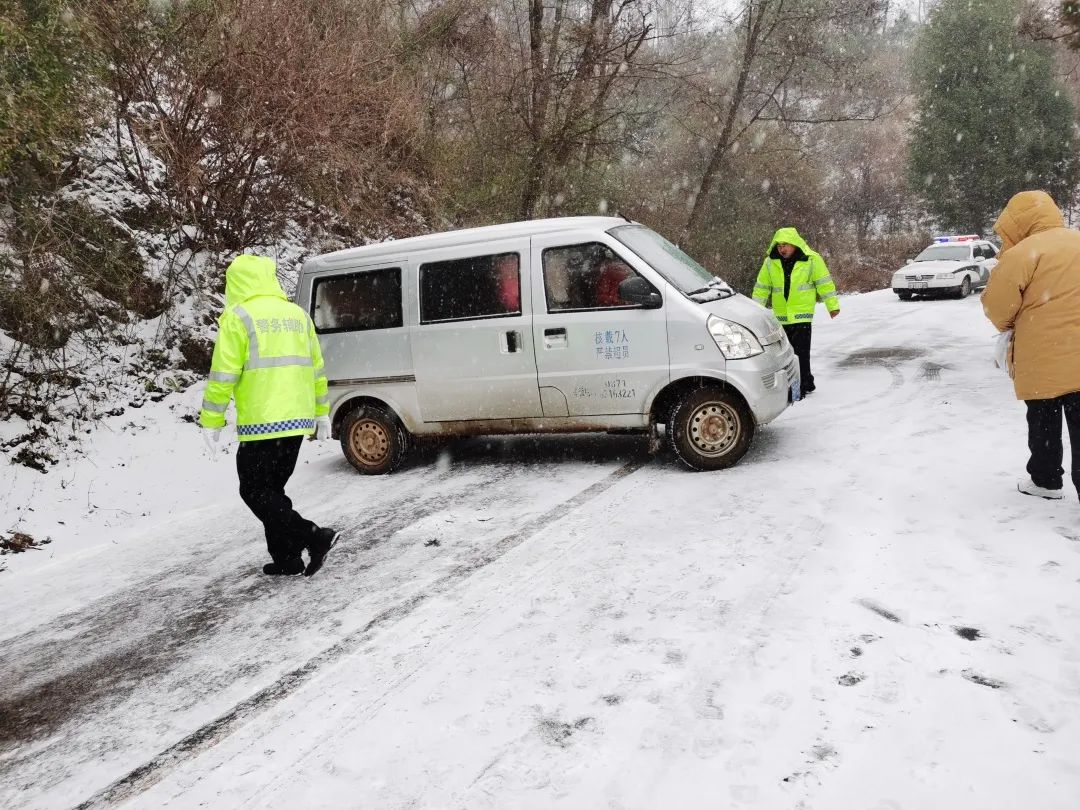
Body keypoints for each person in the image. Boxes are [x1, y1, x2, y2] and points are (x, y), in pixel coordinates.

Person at [199, 254, 340, 576]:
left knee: (254, 491)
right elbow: (316, 369)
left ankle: (314, 536)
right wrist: (321, 413)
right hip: (297, 420)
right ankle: (287, 559)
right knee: (272, 492)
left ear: (236, 282)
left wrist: (211, 420)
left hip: (262, 421)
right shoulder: (297, 315)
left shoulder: (238, 317)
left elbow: (223, 375)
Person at [982, 190, 1080, 501]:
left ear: (1017, 221)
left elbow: (997, 307)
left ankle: (1046, 480)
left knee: (1043, 422)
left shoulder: (1023, 253)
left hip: (1042, 355)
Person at [752, 228, 839, 396]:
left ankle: (803, 386)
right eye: (779, 246)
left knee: (801, 354)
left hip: (801, 316)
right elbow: (761, 287)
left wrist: (832, 305)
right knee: (784, 355)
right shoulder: (770, 262)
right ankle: (794, 386)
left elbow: (824, 283)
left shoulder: (811, 259)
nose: (781, 249)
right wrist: (755, 309)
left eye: (785, 245)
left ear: (794, 244)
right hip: (781, 317)